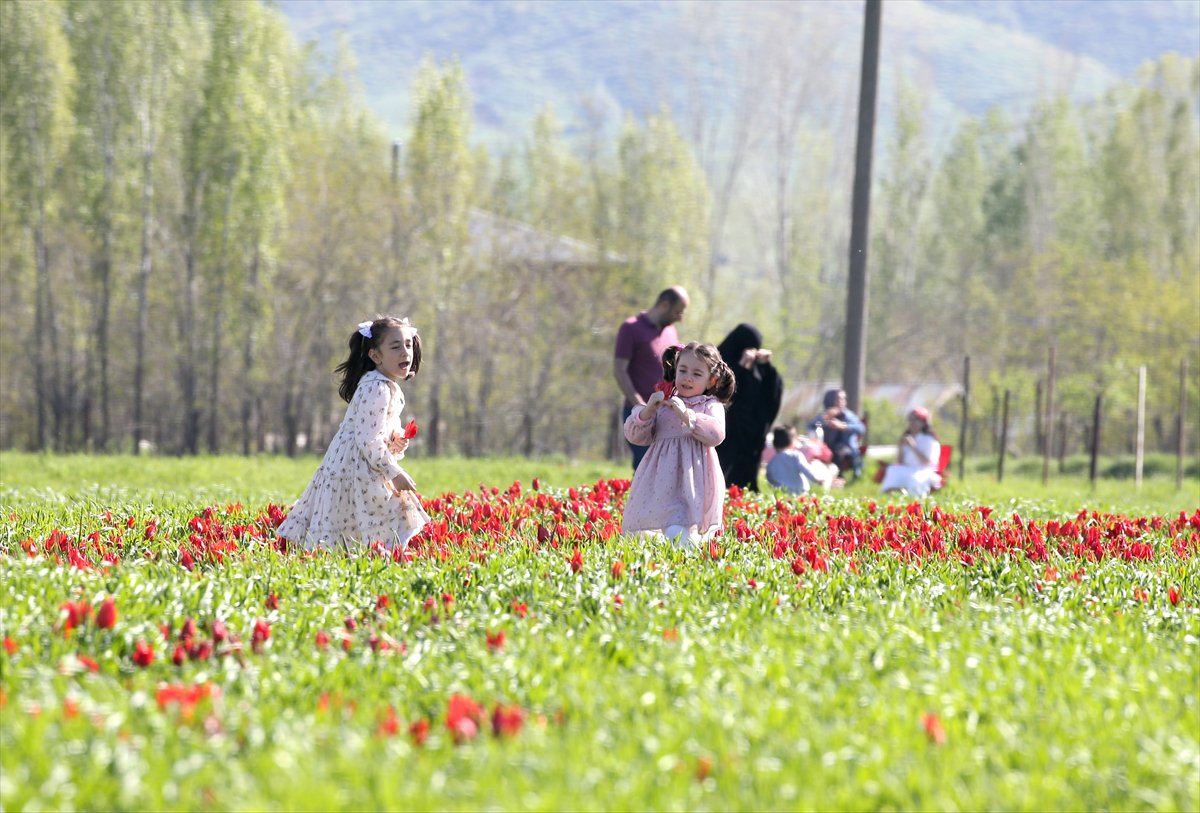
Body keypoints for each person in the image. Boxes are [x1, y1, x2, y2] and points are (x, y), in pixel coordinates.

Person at [277, 316, 430, 551]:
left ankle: (361, 557)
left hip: (359, 462)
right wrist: (394, 472)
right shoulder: (376, 388)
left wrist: (395, 439)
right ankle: (370, 557)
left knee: (352, 516)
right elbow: (368, 440)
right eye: (395, 346)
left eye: (408, 345)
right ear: (375, 356)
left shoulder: (383, 384)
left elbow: (376, 430)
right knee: (379, 511)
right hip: (356, 465)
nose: (405, 353)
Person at [620, 341, 735, 550]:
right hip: (661, 479)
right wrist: (648, 411)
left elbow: (716, 434)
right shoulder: (664, 405)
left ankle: (689, 552)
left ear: (712, 380)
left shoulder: (709, 405)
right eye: (683, 370)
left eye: (697, 374)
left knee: (682, 522)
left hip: (694, 478)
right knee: (669, 522)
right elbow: (636, 436)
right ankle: (683, 551)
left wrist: (686, 416)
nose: (688, 377)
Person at [613, 286, 689, 470]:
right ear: (664, 305)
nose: (680, 318)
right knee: (646, 467)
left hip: (666, 414)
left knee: (665, 469)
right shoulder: (631, 328)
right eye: (678, 312)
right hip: (640, 413)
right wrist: (640, 405)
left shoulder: (670, 331)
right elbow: (619, 370)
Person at [715, 324, 782, 491]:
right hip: (728, 433)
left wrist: (766, 366)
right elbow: (720, 391)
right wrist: (741, 368)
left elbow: (772, 394)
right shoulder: (721, 362)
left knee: (745, 483)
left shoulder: (761, 369)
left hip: (751, 438)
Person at [880, 406, 942, 497]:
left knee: (915, 478)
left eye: (915, 420)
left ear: (923, 423)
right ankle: (891, 495)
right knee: (892, 470)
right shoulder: (907, 438)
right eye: (910, 420)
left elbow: (927, 462)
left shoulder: (929, 440)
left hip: (924, 470)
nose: (911, 423)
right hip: (908, 469)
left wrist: (913, 447)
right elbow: (899, 462)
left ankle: (915, 500)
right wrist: (900, 447)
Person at [807, 387, 866, 479]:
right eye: (839, 399)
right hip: (826, 446)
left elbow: (861, 428)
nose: (843, 401)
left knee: (838, 452)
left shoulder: (848, 415)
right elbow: (811, 426)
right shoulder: (825, 415)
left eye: (844, 398)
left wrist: (844, 426)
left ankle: (839, 478)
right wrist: (824, 420)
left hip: (846, 448)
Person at [765, 425, 842, 494]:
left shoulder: (772, 461)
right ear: (792, 442)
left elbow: (769, 477)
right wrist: (818, 480)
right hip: (799, 492)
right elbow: (807, 470)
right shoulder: (795, 456)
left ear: (774, 443)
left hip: (780, 493)